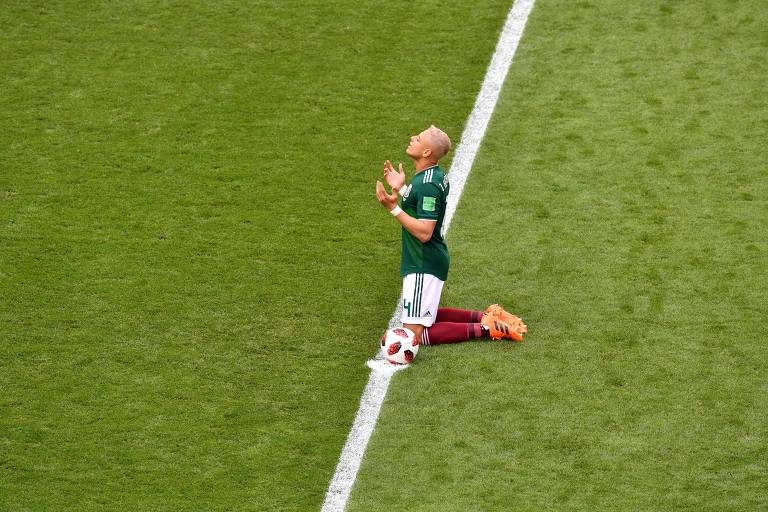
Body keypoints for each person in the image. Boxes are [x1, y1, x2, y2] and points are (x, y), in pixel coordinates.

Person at [375, 125, 527, 346]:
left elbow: (425, 232)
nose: (413, 137)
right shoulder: (432, 176)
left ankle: (488, 328)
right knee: (428, 315)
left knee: (415, 333)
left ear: (427, 152)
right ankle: (486, 318)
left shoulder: (427, 184)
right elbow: (422, 203)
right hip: (427, 258)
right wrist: (403, 189)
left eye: (419, 138)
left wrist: (393, 208)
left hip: (423, 260)